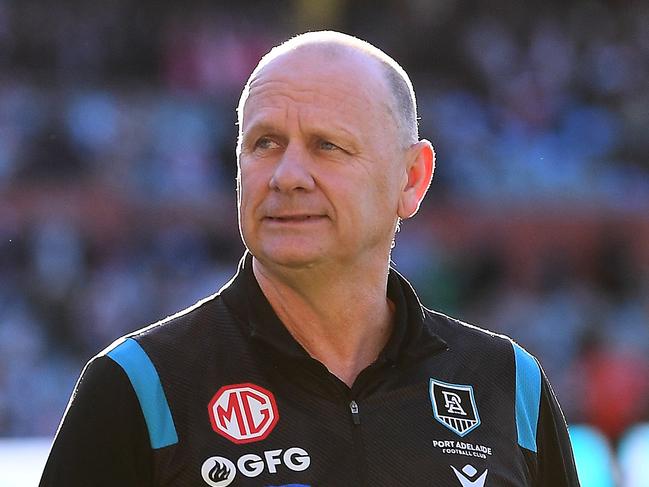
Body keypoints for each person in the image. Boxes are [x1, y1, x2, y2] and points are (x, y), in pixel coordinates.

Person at [40, 31, 580, 486]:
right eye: (264, 144)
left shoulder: (510, 385)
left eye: (327, 146)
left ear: (411, 179)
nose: (287, 175)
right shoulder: (138, 386)